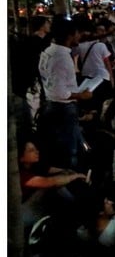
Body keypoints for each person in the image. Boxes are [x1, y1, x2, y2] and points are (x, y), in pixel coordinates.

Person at [37, 17, 92, 170]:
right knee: (69, 149)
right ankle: (70, 175)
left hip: (53, 105)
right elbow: (59, 92)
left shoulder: (49, 51)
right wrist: (81, 95)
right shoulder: (61, 57)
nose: (79, 36)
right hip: (62, 108)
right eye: (77, 33)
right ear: (70, 35)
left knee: (69, 145)